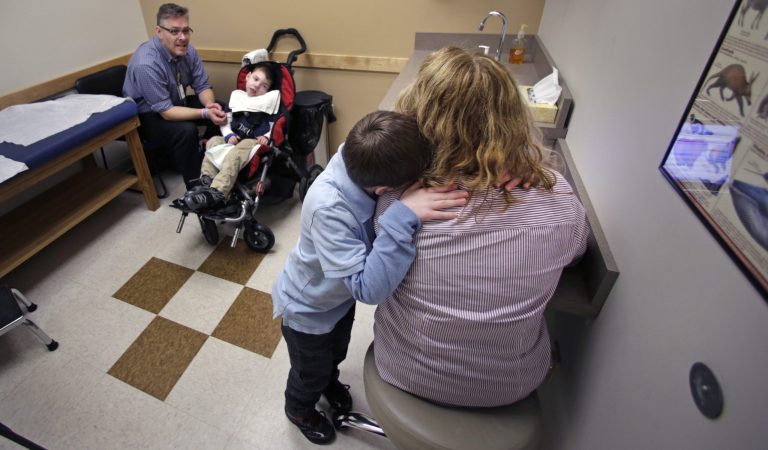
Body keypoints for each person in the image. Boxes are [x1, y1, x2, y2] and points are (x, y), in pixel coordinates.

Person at [373, 46, 590, 408]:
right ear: (513, 120)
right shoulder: (561, 204)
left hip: (405, 369)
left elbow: (375, 278)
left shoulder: (400, 202)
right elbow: (576, 255)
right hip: (510, 387)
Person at [272, 110, 469, 445]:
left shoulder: (365, 152)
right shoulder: (328, 207)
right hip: (309, 309)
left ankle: (327, 380)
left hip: (337, 299)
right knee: (309, 370)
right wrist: (402, 215)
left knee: (335, 353)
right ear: (383, 189)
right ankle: (300, 407)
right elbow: (367, 288)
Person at [123, 3, 228, 189]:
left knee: (222, 109)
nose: (183, 37)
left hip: (174, 102)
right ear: (159, 31)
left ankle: (209, 158)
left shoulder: (189, 51)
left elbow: (202, 85)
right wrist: (204, 113)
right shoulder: (146, 63)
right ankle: (197, 188)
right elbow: (166, 112)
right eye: (174, 31)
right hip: (147, 117)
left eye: (186, 31)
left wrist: (210, 105)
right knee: (185, 131)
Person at [182, 64, 278, 210]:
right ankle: (207, 180)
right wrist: (228, 134)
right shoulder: (237, 98)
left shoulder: (267, 103)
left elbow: (274, 125)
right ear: (247, 77)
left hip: (251, 142)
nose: (257, 85)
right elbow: (225, 121)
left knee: (238, 151)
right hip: (234, 138)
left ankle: (218, 192)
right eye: (256, 79)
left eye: (264, 86)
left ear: (267, 91)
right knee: (213, 141)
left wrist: (266, 136)